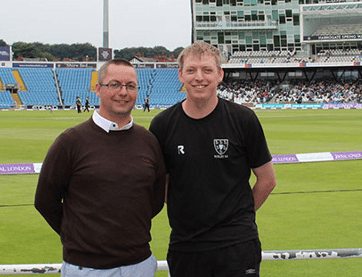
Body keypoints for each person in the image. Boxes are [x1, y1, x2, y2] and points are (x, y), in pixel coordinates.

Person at [149, 41, 276, 277]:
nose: (199, 77)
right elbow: (161, 185)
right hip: (186, 246)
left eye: (207, 70)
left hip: (237, 245)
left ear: (220, 75)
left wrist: (238, 217)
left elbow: (267, 180)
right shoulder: (162, 125)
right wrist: (191, 215)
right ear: (180, 75)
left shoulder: (244, 119)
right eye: (191, 70)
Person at [35, 59, 166, 277]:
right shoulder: (70, 141)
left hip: (140, 264)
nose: (123, 92)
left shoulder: (149, 141)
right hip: (86, 268)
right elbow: (44, 201)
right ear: (98, 88)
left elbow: (155, 199)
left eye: (130, 86)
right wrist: (79, 236)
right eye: (114, 84)